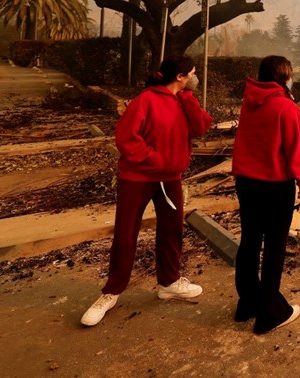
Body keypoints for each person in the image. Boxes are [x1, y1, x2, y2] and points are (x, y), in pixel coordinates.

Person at [80, 56, 213, 327]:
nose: (194, 78)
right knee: (127, 233)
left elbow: (201, 127)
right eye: (192, 73)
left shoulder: (184, 101)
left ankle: (169, 282)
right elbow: (126, 138)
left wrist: (188, 100)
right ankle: (111, 292)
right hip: (137, 177)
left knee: (172, 229)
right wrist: (156, 160)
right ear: (180, 76)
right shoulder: (145, 101)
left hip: (170, 178)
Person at [232, 55, 300, 334]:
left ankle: (248, 304)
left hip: (246, 183)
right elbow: (297, 152)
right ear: (284, 77)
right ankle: (271, 313)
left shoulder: (249, 102)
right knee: (274, 247)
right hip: (275, 187)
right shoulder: (286, 108)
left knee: (250, 242)